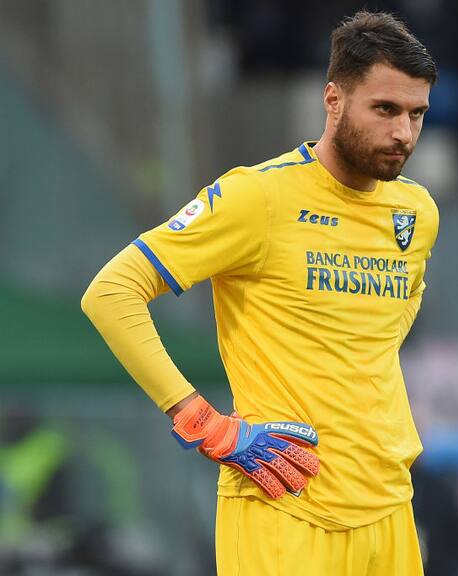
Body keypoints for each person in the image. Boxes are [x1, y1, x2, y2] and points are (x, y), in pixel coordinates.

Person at [81, 11, 439, 576]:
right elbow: (111, 292)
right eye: (385, 109)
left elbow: (387, 322)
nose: (404, 133)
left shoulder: (416, 212)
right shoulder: (258, 198)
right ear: (333, 99)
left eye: (416, 114)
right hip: (285, 501)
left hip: (389, 506)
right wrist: (200, 420)